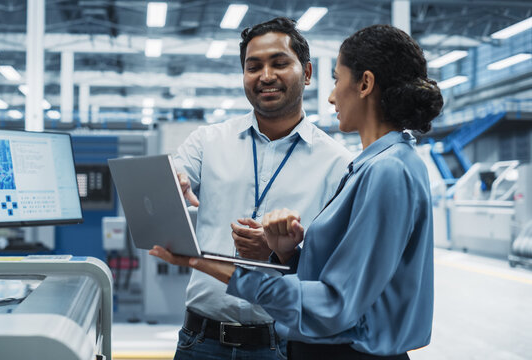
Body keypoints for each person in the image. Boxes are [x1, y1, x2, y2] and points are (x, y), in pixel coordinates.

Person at [152, 24, 443, 360]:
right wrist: (285, 253)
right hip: (210, 339)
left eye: (336, 80)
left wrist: (200, 261)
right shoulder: (373, 166)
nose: (332, 96)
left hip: (316, 346)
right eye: (253, 66)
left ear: (363, 84)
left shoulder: (380, 169)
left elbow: (335, 303)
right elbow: (338, 277)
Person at [168, 17, 352, 360]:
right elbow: (175, 173)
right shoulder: (208, 141)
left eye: (280, 63)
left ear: (307, 73)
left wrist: (278, 252)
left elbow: (335, 268)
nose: (266, 75)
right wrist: (171, 181)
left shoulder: (338, 163)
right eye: (253, 66)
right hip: (199, 341)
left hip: (280, 345)